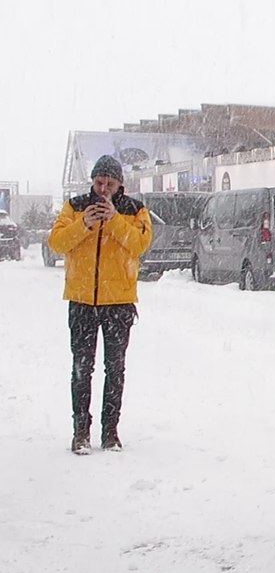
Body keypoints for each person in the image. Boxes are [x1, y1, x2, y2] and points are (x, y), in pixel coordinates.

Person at [47, 155, 153, 454]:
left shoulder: (135, 210)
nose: (103, 189)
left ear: (120, 184)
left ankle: (110, 432)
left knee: (115, 368)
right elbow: (56, 242)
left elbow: (139, 244)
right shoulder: (75, 206)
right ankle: (80, 431)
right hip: (82, 301)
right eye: (99, 182)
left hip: (118, 302)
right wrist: (85, 223)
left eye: (110, 183)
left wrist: (114, 219)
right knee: (82, 367)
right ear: (92, 182)